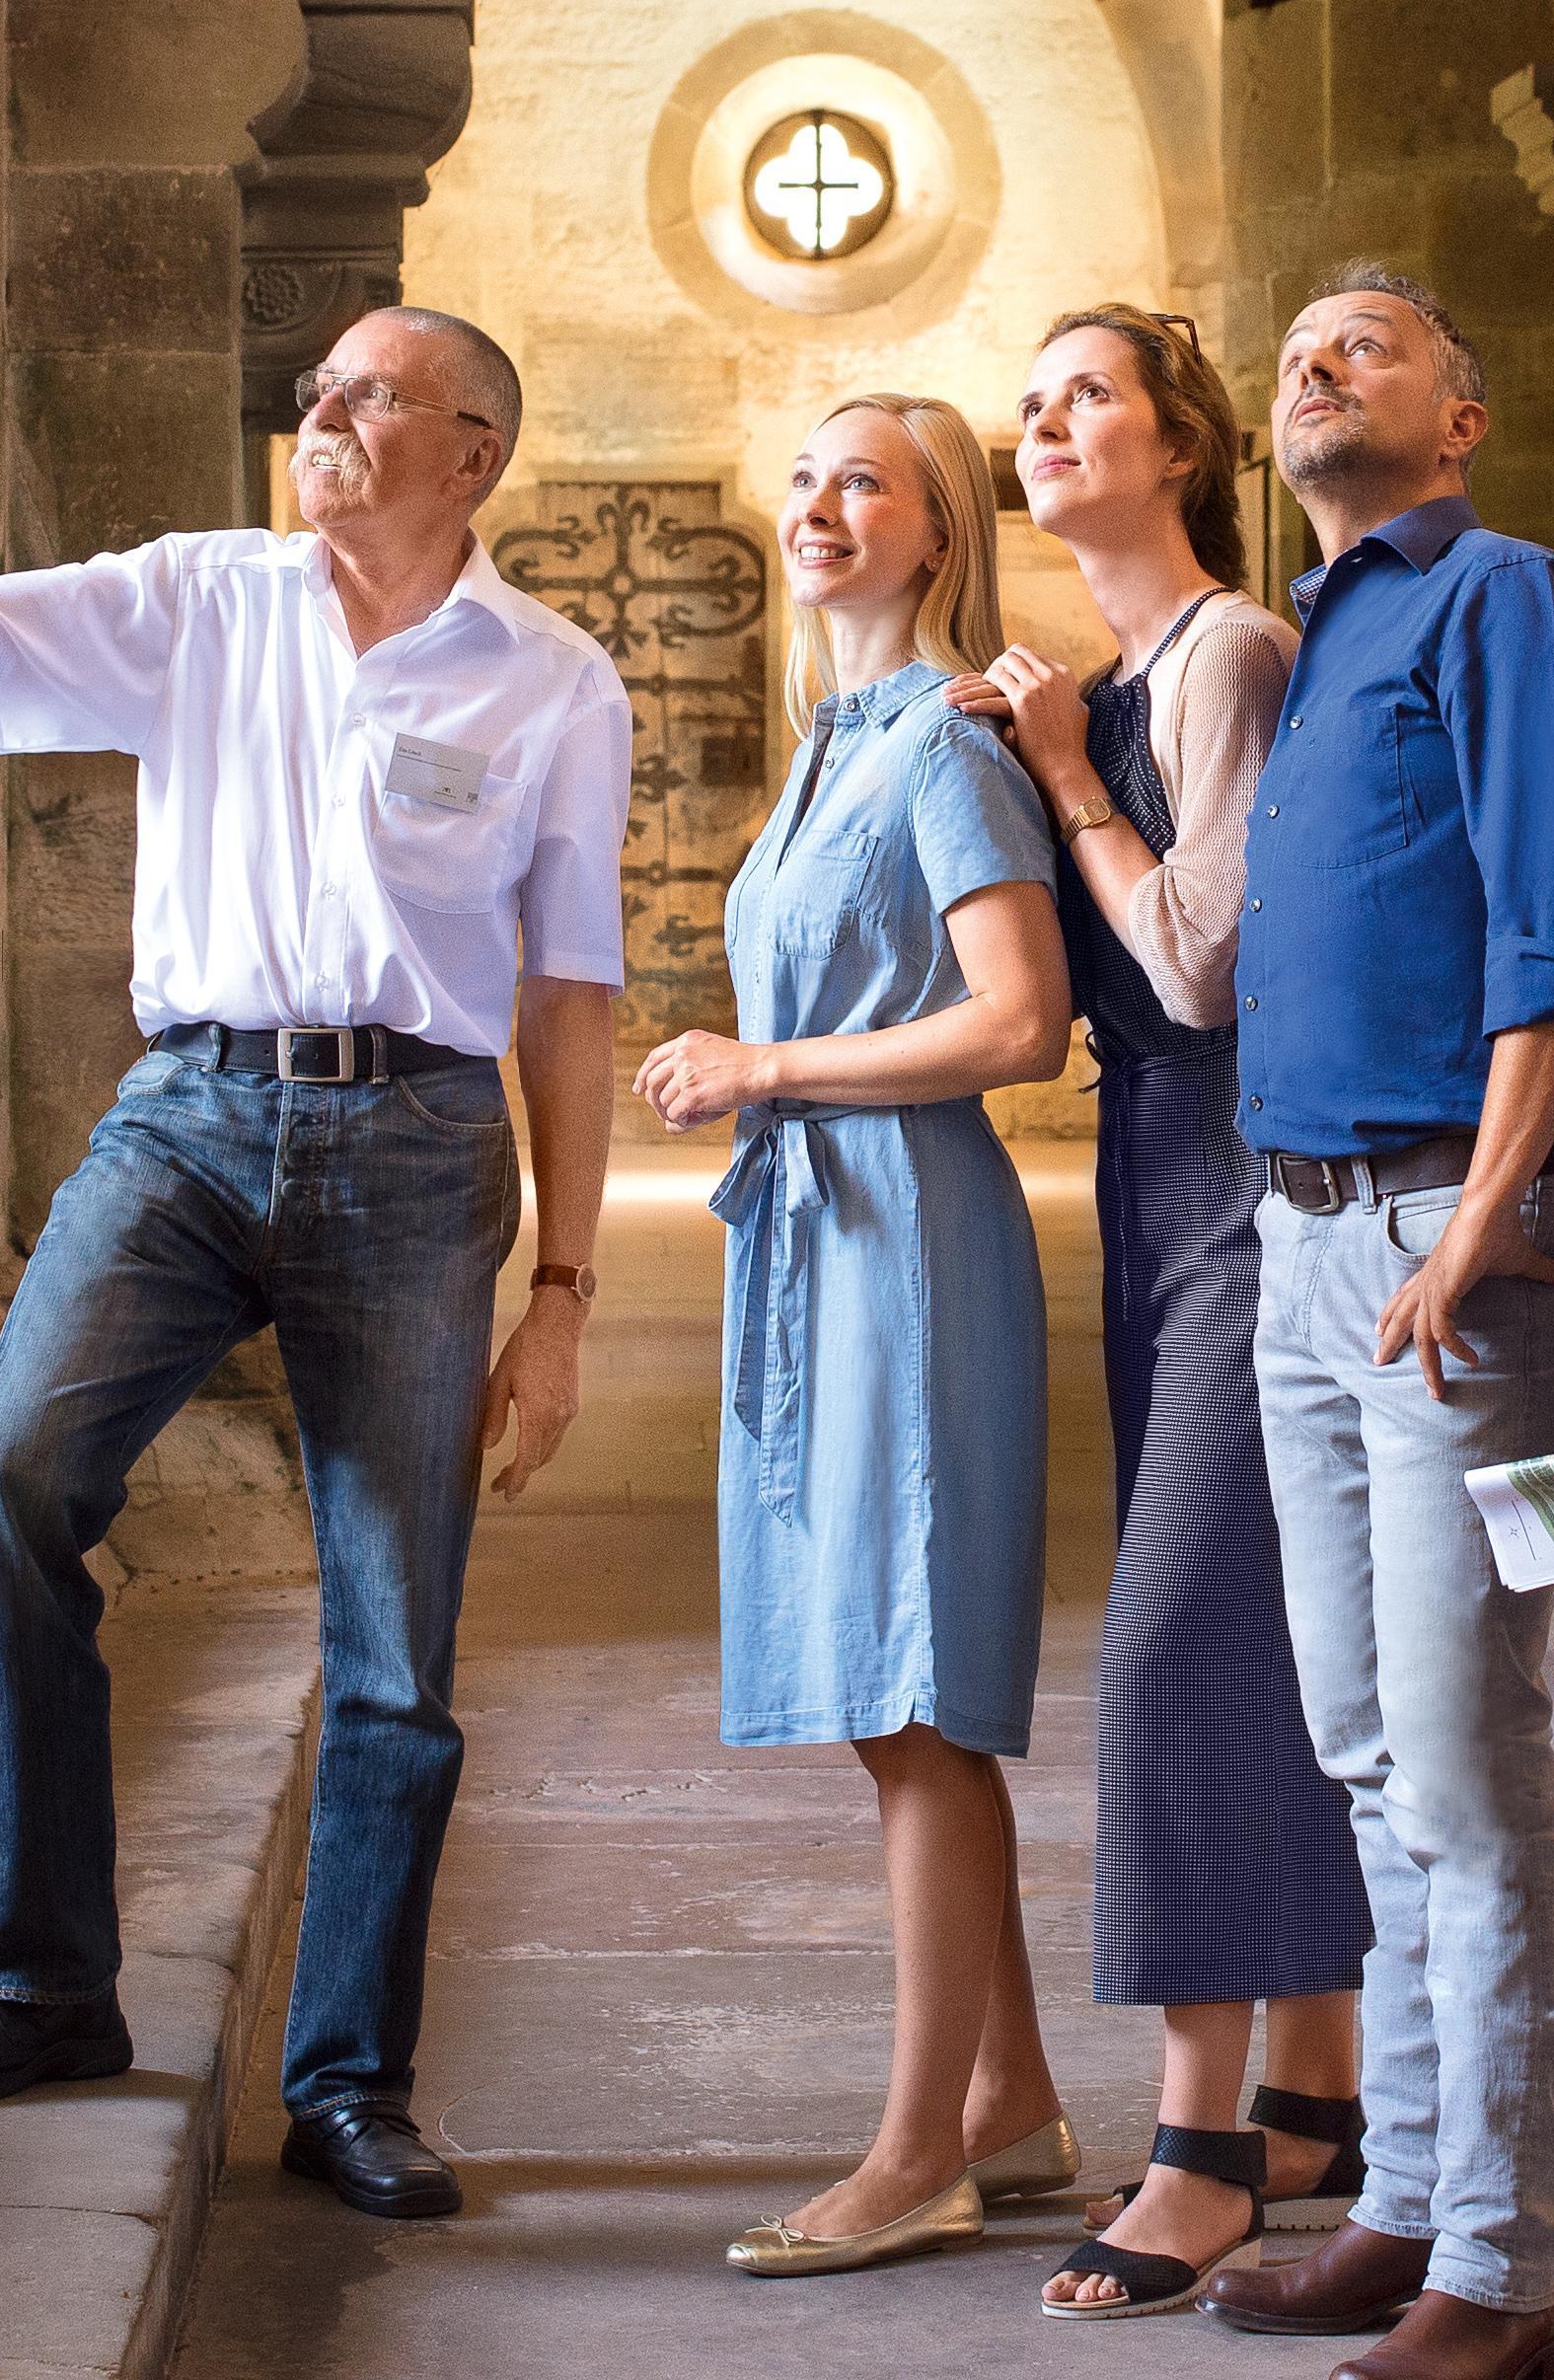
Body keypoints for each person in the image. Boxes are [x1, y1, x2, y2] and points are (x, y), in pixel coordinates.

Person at [0, 279, 627, 2222]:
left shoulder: (553, 680)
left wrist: (566, 1293)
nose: (319, 413)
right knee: (9, 1477)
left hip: (418, 1142)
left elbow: (571, 994)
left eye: (367, 394)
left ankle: (347, 2077)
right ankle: (50, 1980)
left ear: (471, 449)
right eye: (313, 385)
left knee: (394, 1635)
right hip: (192, 1115)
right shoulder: (202, 596)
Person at [1207, 268, 1554, 2380]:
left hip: (1446, 1238)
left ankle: (1508, 2267)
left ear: (1459, 418)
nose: (1317, 364)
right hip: (1305, 1240)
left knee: (1469, 1765)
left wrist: (1479, 1221)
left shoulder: (1499, 596)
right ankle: (1403, 2195)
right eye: (1297, 348)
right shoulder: (1321, 641)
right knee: (1366, 1742)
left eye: (1369, 342)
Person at [640, 392, 1078, 2279]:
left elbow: (1020, 1023)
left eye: (866, 485)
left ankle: (916, 2155)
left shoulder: (946, 747)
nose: (823, 506)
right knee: (886, 1693)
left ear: (937, 537)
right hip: (817, 1235)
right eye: (805, 477)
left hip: (907, 1234)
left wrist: (770, 1067)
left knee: (913, 1700)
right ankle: (1017, 2101)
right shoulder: (833, 741)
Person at [969, 308, 1372, 2323]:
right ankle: (1321, 2084)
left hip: (1239, 1174)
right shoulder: (1116, 671)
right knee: (1252, 1638)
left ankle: (1201, 2137)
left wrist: (1064, 777)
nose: (1047, 423)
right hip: (1145, 1182)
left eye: (1089, 397)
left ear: (1183, 446)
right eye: (1027, 403)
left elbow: (1203, 965)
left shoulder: (1229, 652)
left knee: (1165, 1656)